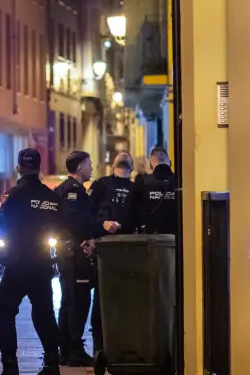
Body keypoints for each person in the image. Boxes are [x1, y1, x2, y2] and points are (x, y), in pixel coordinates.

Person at [0, 148, 64, 375]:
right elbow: (60, 228)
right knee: (44, 313)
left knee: (4, 312)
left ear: (18, 169)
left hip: (16, 264)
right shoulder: (51, 197)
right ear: (40, 168)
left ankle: (10, 366)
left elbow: (1, 225)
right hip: (42, 263)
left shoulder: (13, 195)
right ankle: (52, 364)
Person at [52, 151, 101, 367]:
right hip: (74, 255)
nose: (92, 168)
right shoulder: (73, 191)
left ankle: (65, 349)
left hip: (68, 253)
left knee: (68, 301)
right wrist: (86, 241)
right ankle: (74, 349)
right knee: (78, 302)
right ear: (80, 167)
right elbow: (73, 220)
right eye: (89, 164)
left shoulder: (66, 189)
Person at [86, 152, 136, 361]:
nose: (123, 154)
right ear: (112, 164)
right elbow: (86, 214)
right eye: (119, 154)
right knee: (101, 298)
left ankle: (124, 345)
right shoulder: (101, 185)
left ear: (132, 167)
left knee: (126, 299)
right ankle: (100, 347)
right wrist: (101, 227)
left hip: (129, 252)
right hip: (103, 250)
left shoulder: (137, 189)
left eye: (127, 155)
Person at [125, 147, 178, 236]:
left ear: (150, 164)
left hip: (150, 240)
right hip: (178, 240)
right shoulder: (181, 182)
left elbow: (130, 212)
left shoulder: (142, 182)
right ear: (170, 162)